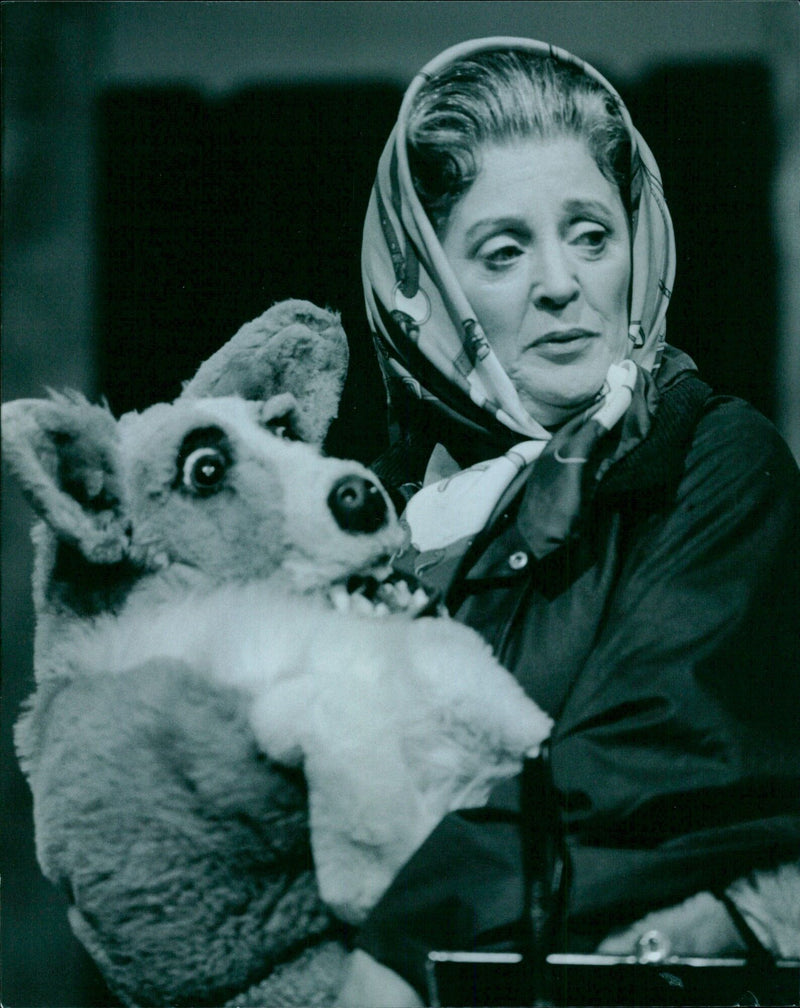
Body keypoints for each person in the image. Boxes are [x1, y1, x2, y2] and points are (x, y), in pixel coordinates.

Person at [335, 37, 800, 1007]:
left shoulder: (704, 460)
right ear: (424, 286)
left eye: (590, 234)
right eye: (503, 251)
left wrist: (394, 949)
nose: (561, 282)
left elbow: (654, 760)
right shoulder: (373, 514)